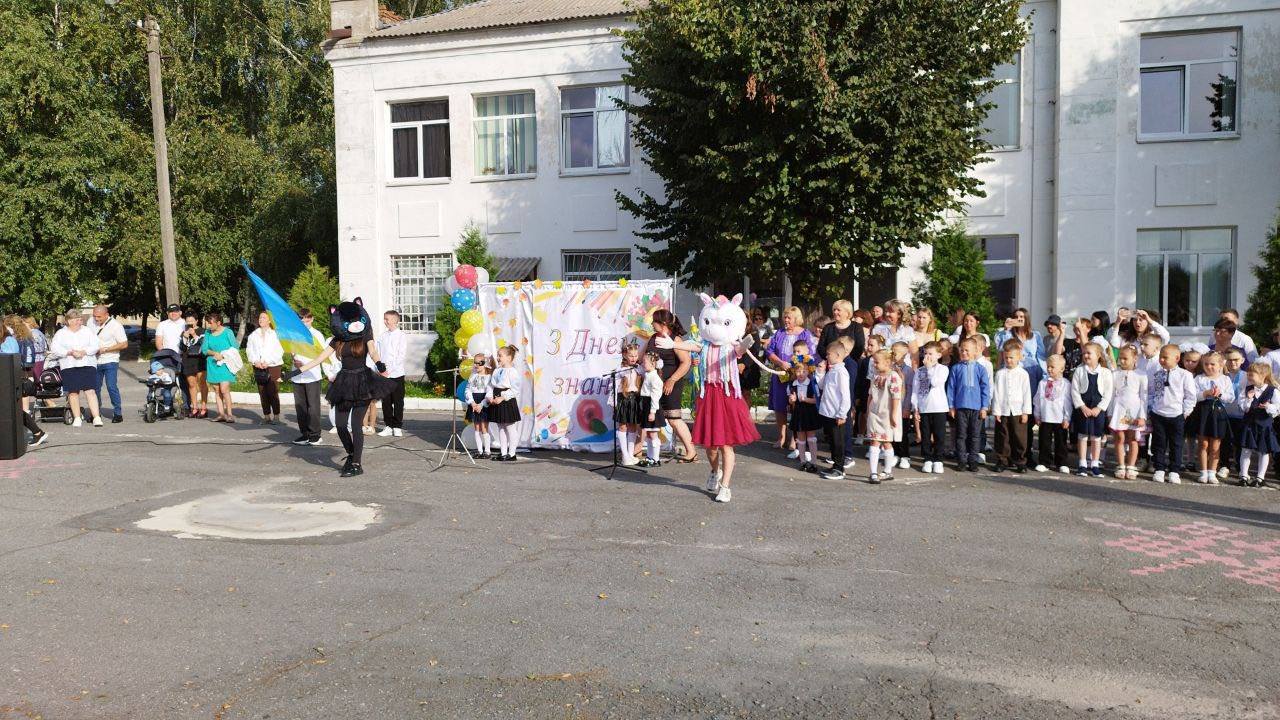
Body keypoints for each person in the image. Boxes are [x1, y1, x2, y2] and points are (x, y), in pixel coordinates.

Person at [655, 294, 761, 503]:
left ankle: (725, 487)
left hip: (728, 395)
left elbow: (740, 350)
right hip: (709, 395)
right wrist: (672, 344)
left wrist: (745, 344)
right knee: (711, 448)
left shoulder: (731, 345)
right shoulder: (704, 344)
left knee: (726, 445)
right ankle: (714, 471)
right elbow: (691, 346)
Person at [292, 300, 394, 476]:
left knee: (356, 425)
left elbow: (373, 351)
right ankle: (351, 454)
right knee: (340, 425)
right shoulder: (337, 340)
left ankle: (356, 464)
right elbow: (319, 358)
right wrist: (295, 372)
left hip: (363, 381)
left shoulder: (365, 335)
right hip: (344, 382)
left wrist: (379, 363)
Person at [816, 300, 866, 465]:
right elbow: (821, 347)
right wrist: (830, 359)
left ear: (847, 312)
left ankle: (847, 453)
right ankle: (835, 452)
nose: (836, 312)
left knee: (845, 406)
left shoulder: (856, 327)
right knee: (831, 403)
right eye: (834, 309)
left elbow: (859, 347)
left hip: (849, 366)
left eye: (839, 310)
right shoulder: (828, 328)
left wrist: (844, 359)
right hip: (831, 365)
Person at [645, 310, 696, 463]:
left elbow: (686, 362)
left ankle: (691, 451)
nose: (652, 324)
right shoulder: (652, 338)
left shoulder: (675, 340)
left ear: (663, 324)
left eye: (654, 321)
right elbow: (643, 357)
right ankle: (639, 449)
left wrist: (672, 380)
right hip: (653, 385)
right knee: (649, 416)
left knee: (674, 419)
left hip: (671, 385)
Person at [765, 306, 816, 454]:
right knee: (780, 405)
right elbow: (769, 351)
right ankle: (782, 437)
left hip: (799, 375)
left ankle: (795, 438)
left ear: (797, 319)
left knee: (796, 405)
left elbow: (811, 353)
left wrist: (797, 366)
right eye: (785, 317)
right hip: (781, 374)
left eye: (789, 318)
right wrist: (780, 362)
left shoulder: (805, 334)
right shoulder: (779, 333)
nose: (786, 320)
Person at [1148, 344, 1196, 484]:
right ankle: (1159, 469)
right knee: (1159, 443)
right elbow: (1151, 392)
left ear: (1177, 358)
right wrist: (1151, 409)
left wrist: (1185, 412)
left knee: (1176, 444)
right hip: (1158, 414)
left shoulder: (1185, 375)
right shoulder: (1157, 374)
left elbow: (1190, 396)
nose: (1162, 360)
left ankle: (1174, 471)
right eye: (1160, 357)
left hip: (1176, 415)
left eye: (1165, 357)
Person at [50, 309, 102, 427]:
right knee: (73, 392)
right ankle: (77, 417)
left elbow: (95, 345)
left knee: (90, 391)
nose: (80, 322)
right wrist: (69, 352)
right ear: (69, 321)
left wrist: (84, 352)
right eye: (77, 320)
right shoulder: (61, 333)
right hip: (69, 365)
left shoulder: (87, 331)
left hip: (87, 364)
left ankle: (96, 417)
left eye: (80, 320)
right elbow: (55, 348)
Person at [947, 337, 991, 472]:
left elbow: (985, 389)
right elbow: (951, 388)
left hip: (976, 408)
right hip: (960, 407)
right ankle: (961, 461)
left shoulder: (981, 369)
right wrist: (951, 406)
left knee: (975, 436)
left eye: (967, 350)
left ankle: (973, 461)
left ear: (975, 351)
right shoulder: (956, 368)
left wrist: (984, 407)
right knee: (961, 435)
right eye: (962, 350)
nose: (964, 352)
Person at [1235, 361, 1280, 487]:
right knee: (1246, 450)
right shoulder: (1247, 390)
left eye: (1251, 374)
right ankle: (1243, 476)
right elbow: (1243, 408)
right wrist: (1249, 399)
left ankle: (1260, 477)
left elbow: (1278, 408)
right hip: (1249, 425)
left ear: (1263, 375)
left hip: (1264, 426)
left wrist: (1268, 406)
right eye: (1248, 374)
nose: (1249, 377)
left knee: (1263, 452)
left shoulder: (1273, 391)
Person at [1192, 351, 1234, 485]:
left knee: (1215, 445)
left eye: (1212, 364)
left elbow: (1231, 398)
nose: (1209, 367)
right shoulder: (1199, 378)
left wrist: (1220, 394)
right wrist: (1205, 393)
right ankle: (1203, 472)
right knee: (1203, 444)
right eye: (1206, 364)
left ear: (1221, 365)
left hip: (1218, 413)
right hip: (1203, 412)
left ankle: (1212, 472)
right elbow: (1193, 395)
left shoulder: (1225, 379)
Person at [0, 327, 48, 446]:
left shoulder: (8, 341)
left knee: (11, 410)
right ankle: (37, 432)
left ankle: (37, 432)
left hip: (7, 380)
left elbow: (8, 361)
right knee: (11, 410)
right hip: (5, 379)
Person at [1071, 342, 1112, 477]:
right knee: (1082, 436)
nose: (1086, 355)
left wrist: (1099, 408)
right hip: (1083, 408)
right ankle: (1082, 463)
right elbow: (1075, 391)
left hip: (1097, 410)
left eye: (1089, 353)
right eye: (1084, 353)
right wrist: (1082, 406)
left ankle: (1095, 464)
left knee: (1096, 437)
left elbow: (1108, 393)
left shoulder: (1106, 372)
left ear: (1098, 355)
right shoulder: (1079, 371)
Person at [991, 340, 1032, 473]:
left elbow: (1027, 393)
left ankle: (1020, 461)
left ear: (1019, 357)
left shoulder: (1023, 374)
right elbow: (997, 393)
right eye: (1006, 357)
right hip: (1003, 410)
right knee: (1003, 436)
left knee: (1019, 437)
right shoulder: (1000, 373)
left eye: (1011, 357)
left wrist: (1026, 412)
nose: (1008, 360)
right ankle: (1002, 460)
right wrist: (996, 410)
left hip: (1018, 411)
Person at [1108, 346, 1148, 480]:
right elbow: (1111, 395)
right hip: (1119, 409)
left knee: (1133, 439)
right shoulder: (1115, 374)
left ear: (1135, 358)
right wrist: (1110, 413)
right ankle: (1121, 465)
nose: (1122, 361)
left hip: (1135, 411)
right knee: (1119, 438)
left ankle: (1131, 465)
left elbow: (1144, 397)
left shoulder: (1141, 375)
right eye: (1120, 358)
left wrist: (1142, 416)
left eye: (1125, 358)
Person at [817, 337, 853, 481]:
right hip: (828, 412)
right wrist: (820, 372)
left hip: (836, 413)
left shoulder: (841, 372)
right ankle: (835, 465)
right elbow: (822, 386)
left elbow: (845, 395)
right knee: (832, 441)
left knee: (838, 442)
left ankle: (839, 468)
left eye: (828, 354)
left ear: (837, 356)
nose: (826, 357)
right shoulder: (832, 370)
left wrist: (842, 414)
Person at [865, 349, 904, 484]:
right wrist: (868, 410)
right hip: (875, 413)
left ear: (887, 362)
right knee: (874, 441)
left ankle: (888, 471)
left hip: (887, 414)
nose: (874, 365)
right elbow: (870, 394)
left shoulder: (893, 376)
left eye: (877, 362)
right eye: (874, 362)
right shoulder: (875, 376)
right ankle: (873, 472)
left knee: (887, 442)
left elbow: (896, 397)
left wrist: (893, 415)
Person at [289, 309, 328, 445]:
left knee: (313, 406)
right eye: (302, 320)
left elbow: (322, 354)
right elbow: (291, 350)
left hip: (312, 375)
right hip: (297, 375)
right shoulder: (294, 334)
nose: (304, 322)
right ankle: (304, 434)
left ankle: (315, 434)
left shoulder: (317, 335)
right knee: (300, 406)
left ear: (312, 319)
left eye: (307, 320)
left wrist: (305, 364)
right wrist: (294, 360)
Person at [913, 342, 949, 475]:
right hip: (924, 408)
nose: (927, 356)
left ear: (939, 355)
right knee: (926, 435)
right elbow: (915, 391)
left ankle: (938, 460)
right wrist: (915, 408)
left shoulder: (943, 369)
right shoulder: (919, 371)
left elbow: (934, 383)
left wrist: (928, 368)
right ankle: (927, 459)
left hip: (939, 408)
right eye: (925, 353)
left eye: (930, 354)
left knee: (939, 435)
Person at [1033, 355, 1072, 474]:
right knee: (1044, 441)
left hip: (1060, 418)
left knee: (1061, 442)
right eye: (1048, 367)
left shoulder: (1065, 384)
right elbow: (1038, 399)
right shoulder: (1043, 383)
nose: (1049, 369)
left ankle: (1062, 462)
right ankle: (1044, 462)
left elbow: (1068, 402)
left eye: (1052, 367)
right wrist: (1037, 415)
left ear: (1061, 369)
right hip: (1046, 417)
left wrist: (1067, 418)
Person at [89, 305, 128, 423]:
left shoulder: (116, 325)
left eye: (99, 317)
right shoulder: (90, 322)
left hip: (110, 360)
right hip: (94, 361)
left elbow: (124, 344)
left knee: (111, 386)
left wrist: (106, 349)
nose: (96, 319)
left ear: (107, 315)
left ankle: (118, 413)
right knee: (94, 388)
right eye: (95, 316)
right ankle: (96, 413)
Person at [486, 345, 524, 463]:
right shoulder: (497, 370)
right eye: (497, 355)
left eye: (500, 355)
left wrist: (502, 397)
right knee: (501, 427)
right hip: (496, 399)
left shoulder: (513, 372)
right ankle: (503, 453)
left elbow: (515, 389)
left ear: (509, 357)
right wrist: (490, 396)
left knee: (510, 427)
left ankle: (512, 453)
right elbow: (491, 385)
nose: (498, 358)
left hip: (506, 401)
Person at [246, 311, 284, 425]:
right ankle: (266, 416)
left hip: (273, 366)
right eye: (260, 317)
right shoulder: (254, 335)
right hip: (258, 366)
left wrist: (268, 361)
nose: (261, 319)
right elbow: (249, 350)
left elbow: (279, 351)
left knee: (273, 391)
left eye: (263, 318)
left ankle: (276, 416)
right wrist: (255, 361)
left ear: (269, 321)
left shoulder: (275, 334)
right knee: (262, 391)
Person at [202, 312, 240, 424]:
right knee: (217, 390)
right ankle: (221, 414)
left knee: (224, 389)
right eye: (208, 323)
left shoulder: (228, 332)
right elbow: (204, 349)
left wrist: (223, 355)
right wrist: (214, 353)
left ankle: (230, 414)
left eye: (211, 323)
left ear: (218, 323)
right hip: (213, 363)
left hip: (225, 363)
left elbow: (235, 348)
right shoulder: (208, 333)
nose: (209, 325)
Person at [375, 311, 408, 438]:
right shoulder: (382, 336)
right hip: (384, 374)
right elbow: (377, 353)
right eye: (384, 319)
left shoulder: (401, 336)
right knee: (386, 402)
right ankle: (388, 425)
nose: (385, 321)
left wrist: (390, 370)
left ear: (395, 320)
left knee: (398, 401)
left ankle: (397, 426)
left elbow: (401, 355)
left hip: (397, 373)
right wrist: (380, 369)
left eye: (387, 319)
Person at [786, 354, 821, 473]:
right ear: (794, 372)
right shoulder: (792, 385)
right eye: (798, 371)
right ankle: (802, 462)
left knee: (811, 438)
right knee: (800, 438)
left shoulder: (812, 383)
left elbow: (816, 400)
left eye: (804, 371)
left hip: (809, 413)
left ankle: (814, 462)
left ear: (809, 371)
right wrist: (792, 400)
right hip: (798, 413)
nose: (801, 374)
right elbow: (790, 401)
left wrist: (805, 399)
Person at [613, 342, 644, 467]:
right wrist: (613, 402)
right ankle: (625, 455)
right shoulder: (621, 370)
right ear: (625, 355)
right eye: (631, 355)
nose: (633, 358)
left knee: (633, 427)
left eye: (636, 356)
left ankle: (630, 454)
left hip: (635, 399)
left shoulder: (639, 369)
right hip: (623, 399)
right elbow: (614, 386)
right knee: (623, 427)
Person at [638, 350, 667, 468]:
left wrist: (652, 412)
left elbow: (655, 396)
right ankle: (650, 457)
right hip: (647, 405)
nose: (643, 364)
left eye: (645, 362)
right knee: (649, 434)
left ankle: (655, 459)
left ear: (653, 364)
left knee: (653, 434)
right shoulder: (648, 375)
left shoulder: (655, 378)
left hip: (652, 407)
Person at [889, 342, 914, 469]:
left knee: (903, 433)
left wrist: (907, 408)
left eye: (896, 353)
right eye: (892, 352)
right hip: (891, 406)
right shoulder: (889, 368)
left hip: (902, 406)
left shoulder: (908, 371)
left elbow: (909, 391)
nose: (893, 355)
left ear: (904, 355)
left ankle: (905, 456)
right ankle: (895, 454)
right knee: (892, 431)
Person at [179, 313, 208, 418]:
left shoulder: (203, 331)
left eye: (191, 321)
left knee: (202, 383)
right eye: (187, 321)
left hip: (200, 360)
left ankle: (204, 408)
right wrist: (185, 337)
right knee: (191, 384)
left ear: (196, 321)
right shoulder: (184, 332)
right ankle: (194, 407)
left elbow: (203, 345)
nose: (190, 323)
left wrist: (194, 335)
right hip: (188, 360)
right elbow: (182, 348)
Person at [465, 353, 494, 459]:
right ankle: (480, 451)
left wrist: (482, 404)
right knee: (477, 427)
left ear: (485, 363)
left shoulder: (489, 377)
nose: (476, 365)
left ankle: (487, 451)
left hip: (483, 403)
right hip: (474, 402)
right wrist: (472, 402)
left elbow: (490, 392)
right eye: (475, 363)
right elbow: (468, 389)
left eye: (479, 363)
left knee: (484, 427)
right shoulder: (472, 376)